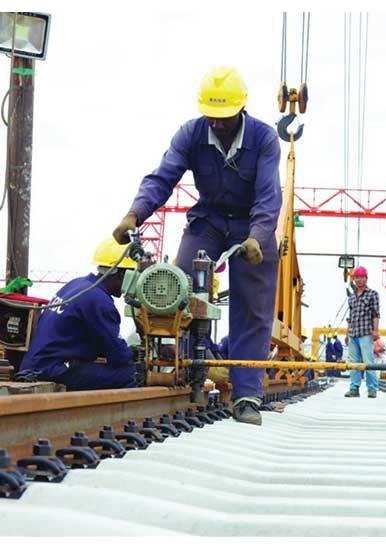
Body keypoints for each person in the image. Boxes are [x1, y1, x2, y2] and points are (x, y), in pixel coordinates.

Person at [112, 66, 281, 426]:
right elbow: (162, 177)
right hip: (209, 221)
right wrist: (134, 213)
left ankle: (248, 395)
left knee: (252, 305)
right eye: (212, 117)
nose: (217, 124)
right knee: (176, 287)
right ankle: (179, 372)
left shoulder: (265, 139)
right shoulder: (190, 134)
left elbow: (269, 197)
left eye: (224, 118)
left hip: (252, 225)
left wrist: (258, 236)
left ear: (241, 110)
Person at [17, 239, 138, 391]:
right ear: (121, 273)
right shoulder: (100, 301)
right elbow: (118, 357)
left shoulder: (77, 284)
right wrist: (134, 354)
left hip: (35, 365)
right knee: (133, 374)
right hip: (52, 370)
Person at [344, 266, 381, 398]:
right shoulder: (351, 298)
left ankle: (372, 389)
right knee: (354, 362)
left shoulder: (373, 294)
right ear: (353, 279)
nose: (359, 280)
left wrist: (376, 330)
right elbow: (350, 317)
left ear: (366, 278)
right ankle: (354, 388)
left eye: (361, 277)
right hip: (353, 333)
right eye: (356, 277)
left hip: (366, 332)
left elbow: (376, 314)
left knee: (368, 361)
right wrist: (347, 334)